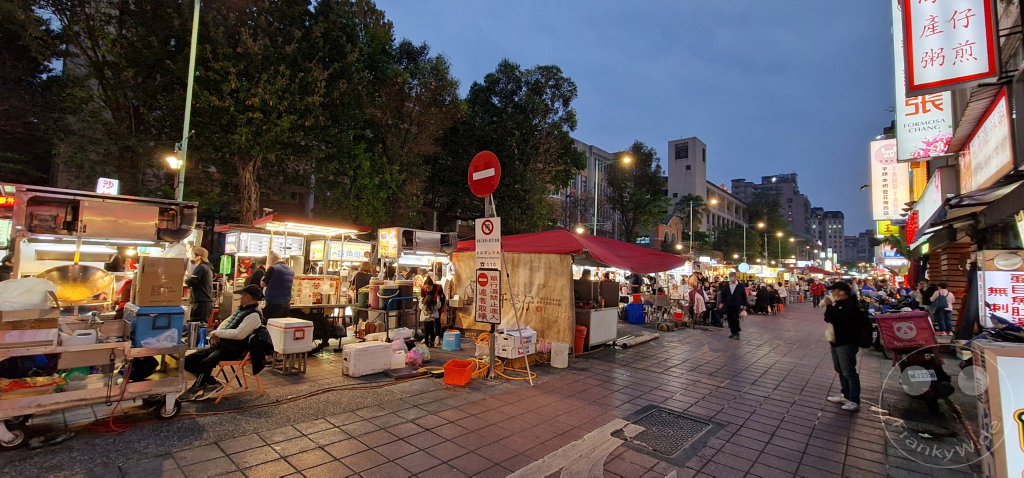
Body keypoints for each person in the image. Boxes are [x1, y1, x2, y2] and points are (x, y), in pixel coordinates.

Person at [181, 285, 267, 401]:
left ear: (248, 297)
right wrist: (217, 334)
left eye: (242, 296)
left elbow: (239, 334)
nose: (240, 298)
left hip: (234, 349)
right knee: (188, 361)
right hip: (222, 345)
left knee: (206, 363)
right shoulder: (242, 309)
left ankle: (197, 387)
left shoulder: (254, 315)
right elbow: (226, 323)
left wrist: (217, 333)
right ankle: (211, 383)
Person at [822, 281, 871, 411]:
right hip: (836, 342)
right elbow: (827, 318)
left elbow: (834, 319)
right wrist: (830, 307)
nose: (832, 293)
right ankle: (845, 394)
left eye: (834, 290)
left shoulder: (851, 306)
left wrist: (829, 306)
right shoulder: (839, 304)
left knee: (849, 371)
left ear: (842, 292)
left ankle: (854, 400)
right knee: (840, 369)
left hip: (847, 343)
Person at [261, 252, 294, 321]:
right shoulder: (290, 270)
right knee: (280, 326)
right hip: (286, 304)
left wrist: (263, 278)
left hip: (273, 304)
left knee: (270, 324)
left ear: (272, 260)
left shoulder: (273, 268)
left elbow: (263, 284)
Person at [185, 247, 215, 323]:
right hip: (204, 303)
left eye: (192, 255)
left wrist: (184, 278)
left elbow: (191, 281)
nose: (191, 257)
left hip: (201, 303)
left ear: (199, 257)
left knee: (197, 326)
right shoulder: (206, 267)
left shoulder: (201, 267)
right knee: (200, 326)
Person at [717, 272, 747, 340]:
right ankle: (733, 332)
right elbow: (723, 295)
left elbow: (743, 295)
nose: (731, 278)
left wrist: (744, 304)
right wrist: (722, 303)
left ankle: (737, 332)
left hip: (737, 304)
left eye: (732, 276)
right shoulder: (726, 285)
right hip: (729, 304)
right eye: (730, 276)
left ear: (735, 277)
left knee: (735, 318)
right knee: (730, 318)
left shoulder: (740, 286)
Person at [420, 277, 446, 347]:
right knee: (427, 327)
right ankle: (427, 338)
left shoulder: (438, 288)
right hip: (427, 309)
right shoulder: (423, 289)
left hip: (435, 308)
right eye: (426, 288)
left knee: (437, 321)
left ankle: (437, 336)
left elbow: (441, 300)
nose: (427, 289)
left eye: (429, 288)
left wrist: (438, 302)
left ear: (432, 285)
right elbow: (421, 300)